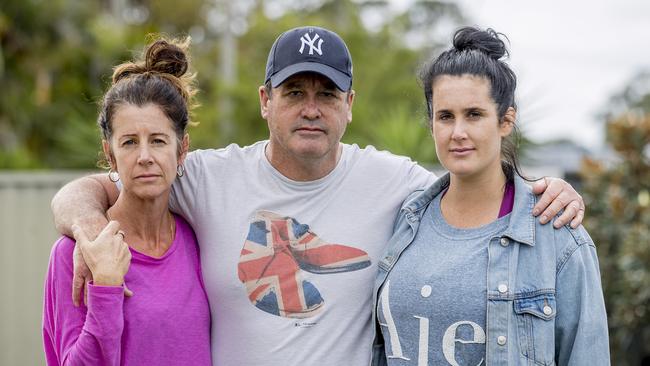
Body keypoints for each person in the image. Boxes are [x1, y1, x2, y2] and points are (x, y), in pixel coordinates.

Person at [51, 26, 585, 366]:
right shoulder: (207, 176)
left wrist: (544, 188)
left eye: (326, 93)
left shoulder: (396, 182)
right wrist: (89, 229)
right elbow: (96, 187)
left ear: (349, 104)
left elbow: (474, 184)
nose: (311, 108)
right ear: (265, 100)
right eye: (294, 93)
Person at [372, 27, 609, 365]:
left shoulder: (558, 237)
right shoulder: (402, 220)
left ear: (506, 120)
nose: (458, 133)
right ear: (431, 124)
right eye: (445, 117)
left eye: (474, 114)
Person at [43, 38, 211, 365]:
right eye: (130, 142)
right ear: (110, 154)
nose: (145, 157)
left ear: (182, 149)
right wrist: (106, 287)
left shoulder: (198, 240)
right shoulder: (73, 254)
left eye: (159, 141)